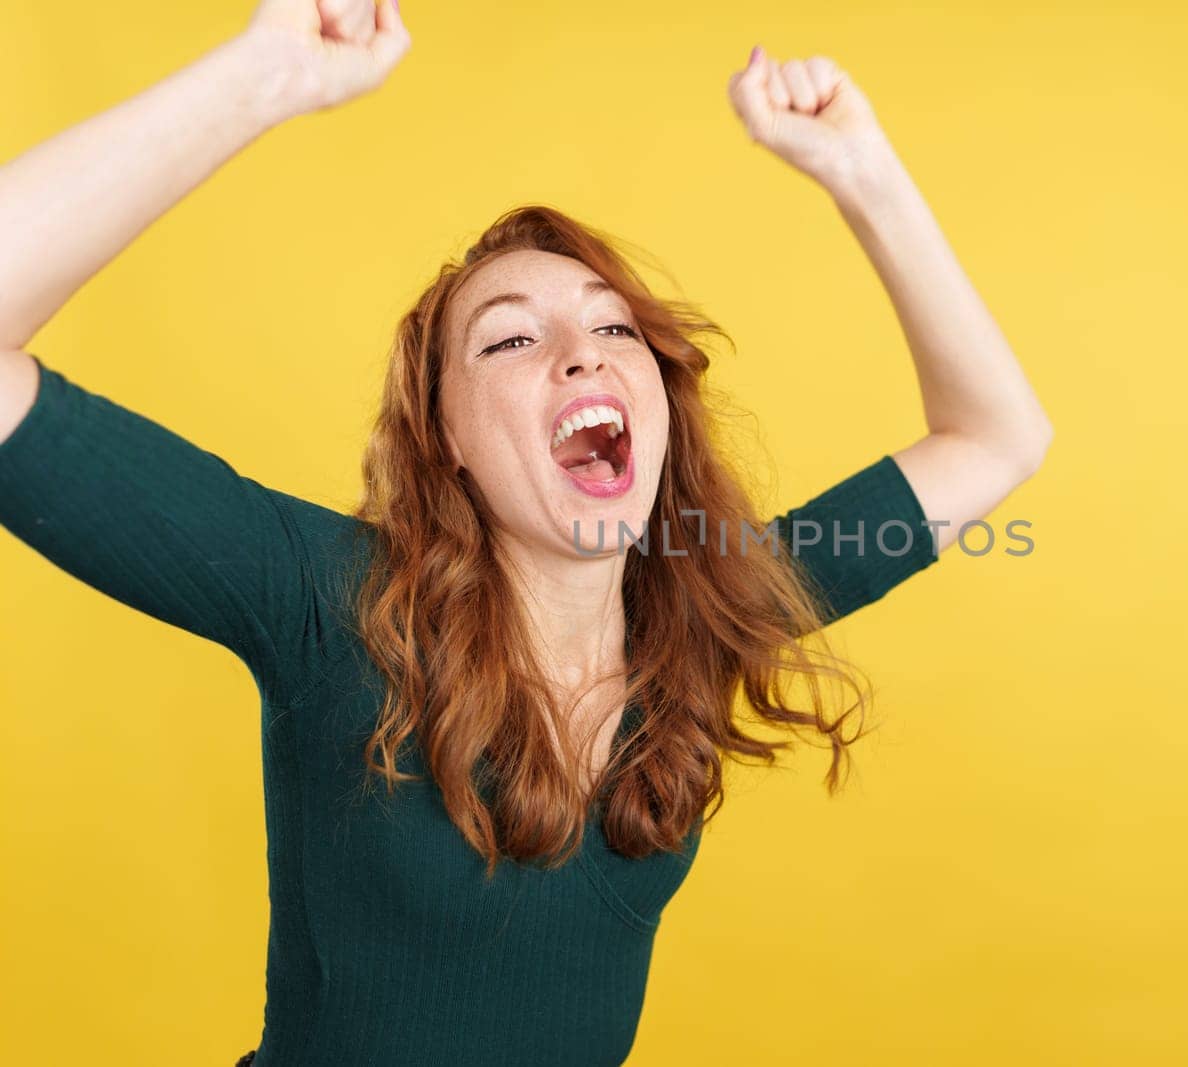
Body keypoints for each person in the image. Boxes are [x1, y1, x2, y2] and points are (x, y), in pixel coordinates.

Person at [0, 1, 1053, 1064]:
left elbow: (996, 437)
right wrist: (264, 76)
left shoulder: (712, 603)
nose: (581, 353)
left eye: (612, 326)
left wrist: (860, 170)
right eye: (508, 337)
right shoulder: (330, 597)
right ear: (445, 435)